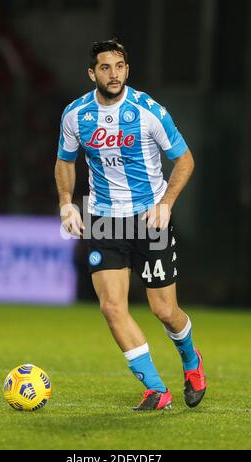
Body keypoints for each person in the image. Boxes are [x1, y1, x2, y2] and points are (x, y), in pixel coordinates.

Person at [55, 39, 206, 411]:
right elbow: (65, 161)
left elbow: (184, 160)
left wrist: (166, 204)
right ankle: (157, 390)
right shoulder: (75, 115)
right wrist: (65, 205)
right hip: (104, 220)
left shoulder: (148, 111)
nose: (114, 74)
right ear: (92, 73)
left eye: (120, 67)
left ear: (127, 70)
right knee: (111, 307)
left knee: (164, 310)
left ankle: (191, 362)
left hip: (148, 218)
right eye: (105, 68)